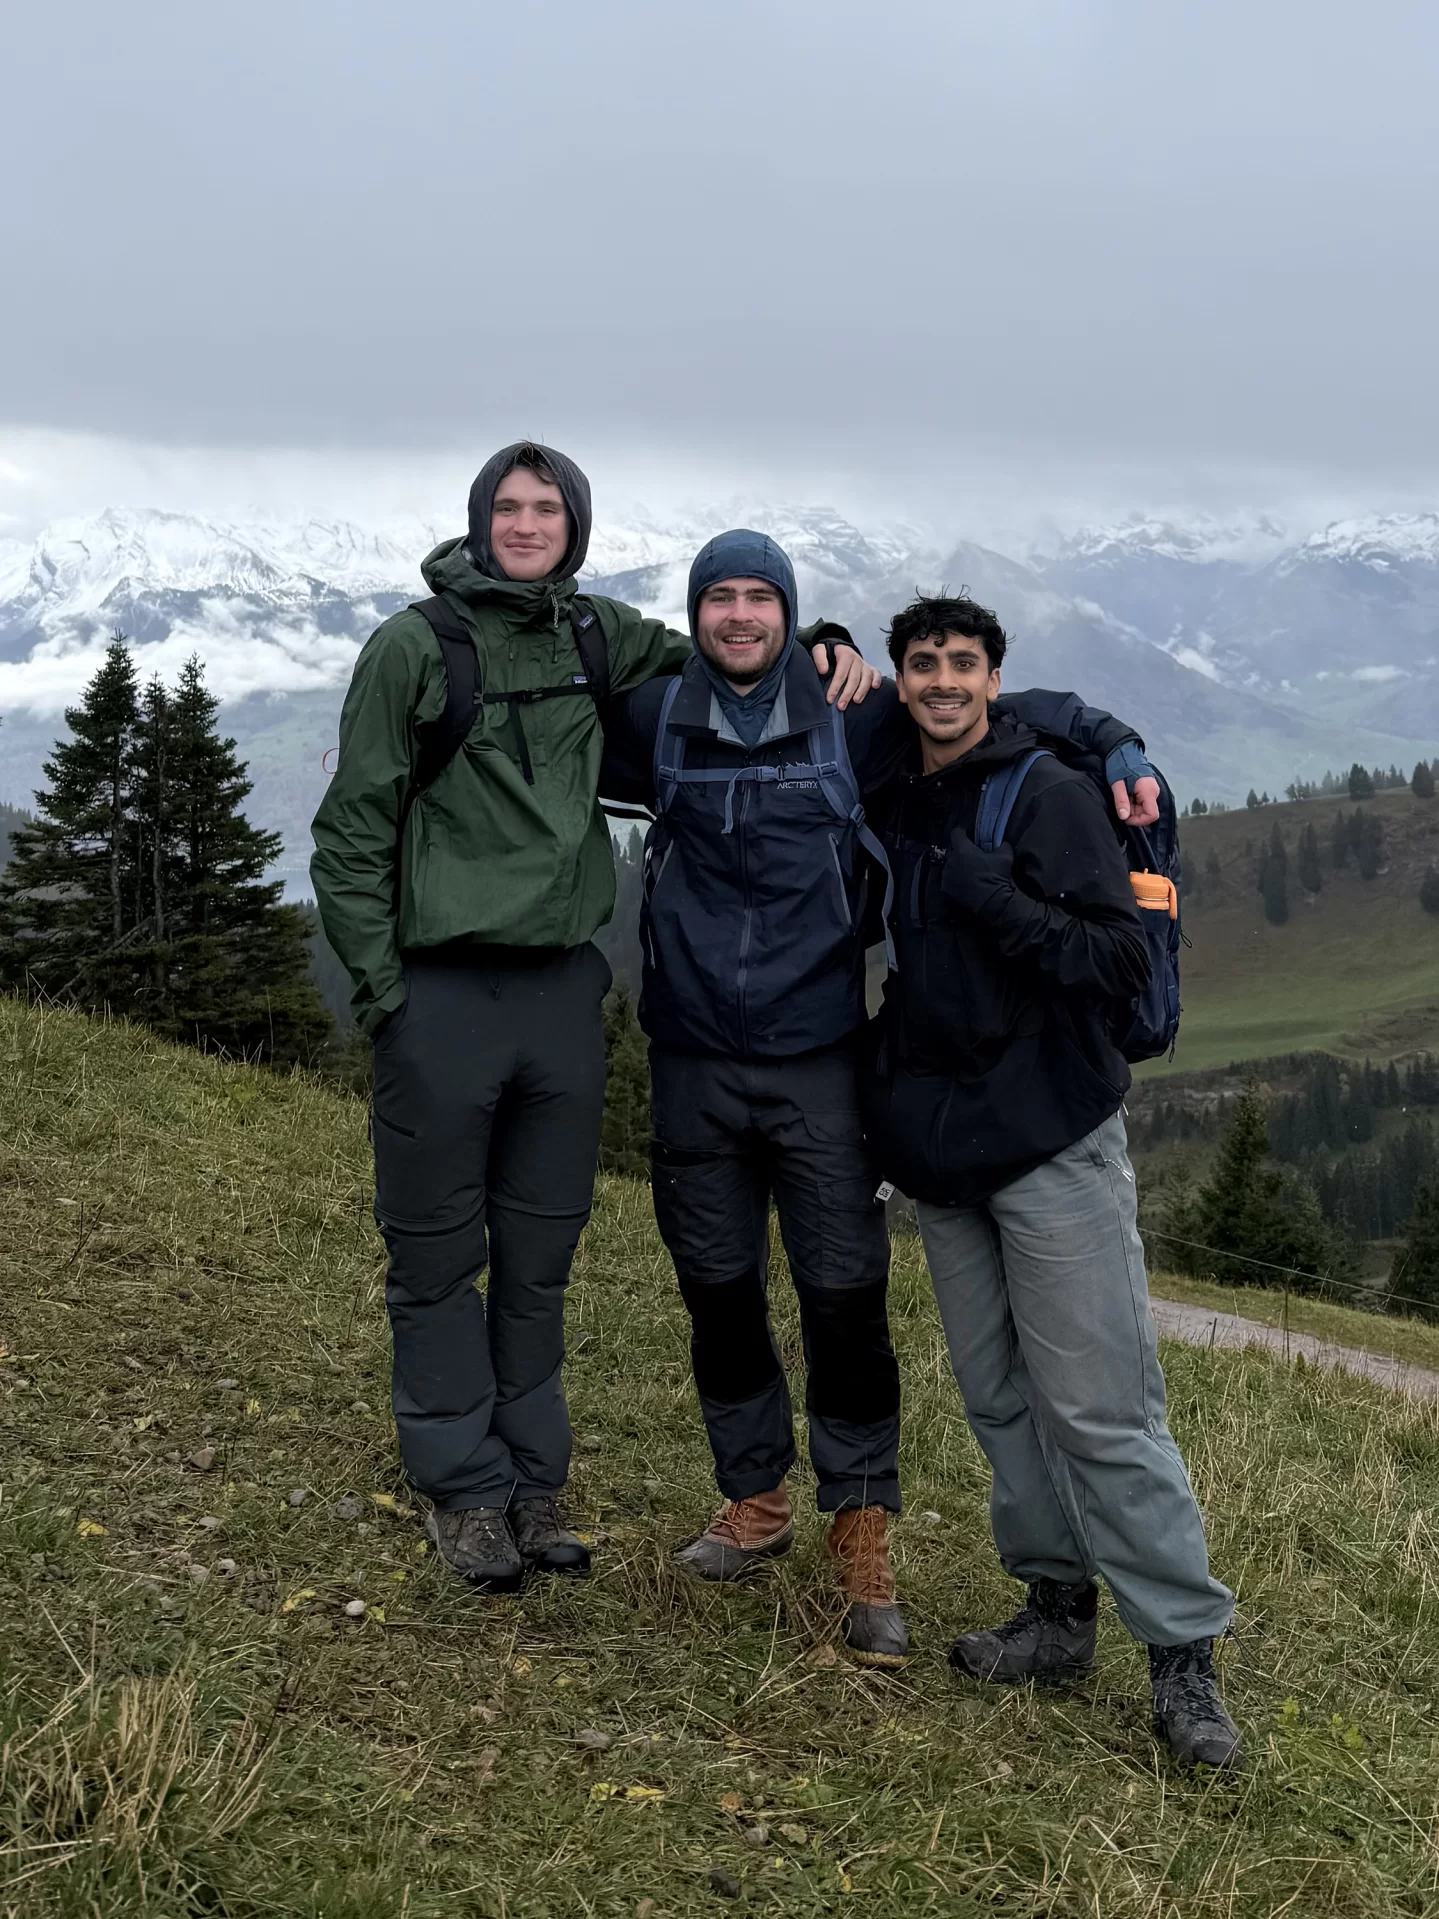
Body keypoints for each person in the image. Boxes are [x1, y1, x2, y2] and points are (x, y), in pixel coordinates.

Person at [310, 445, 876, 1595]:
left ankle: (531, 1482)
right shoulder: (411, 648)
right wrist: (381, 994)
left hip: (563, 991)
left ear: (575, 525)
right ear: (477, 521)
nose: (526, 524)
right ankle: (459, 1488)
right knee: (433, 1258)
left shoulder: (592, 636)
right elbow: (352, 825)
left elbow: (723, 652)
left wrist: (826, 647)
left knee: (537, 1254)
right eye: (507, 507)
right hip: (441, 991)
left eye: (547, 507)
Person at [600, 535, 1159, 1665]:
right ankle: (752, 1502)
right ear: (695, 612)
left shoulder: (849, 715)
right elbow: (540, 731)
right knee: (716, 1293)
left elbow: (993, 708)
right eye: (721, 597)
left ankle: (862, 1533)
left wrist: (1113, 739)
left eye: (762, 596)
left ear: (789, 609)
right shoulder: (654, 717)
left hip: (819, 1060)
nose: (740, 614)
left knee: (843, 1302)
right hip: (691, 1059)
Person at [863, 591, 1241, 1767]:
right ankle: (1054, 1610)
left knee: (1101, 1409)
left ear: (992, 679)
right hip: (944, 1145)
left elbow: (1117, 956)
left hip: (1051, 1137)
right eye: (920, 663)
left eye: (960, 664)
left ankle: (1181, 1655)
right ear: (899, 678)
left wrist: (1003, 903)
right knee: (997, 1396)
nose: (939, 681)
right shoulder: (896, 779)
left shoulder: (1048, 791)